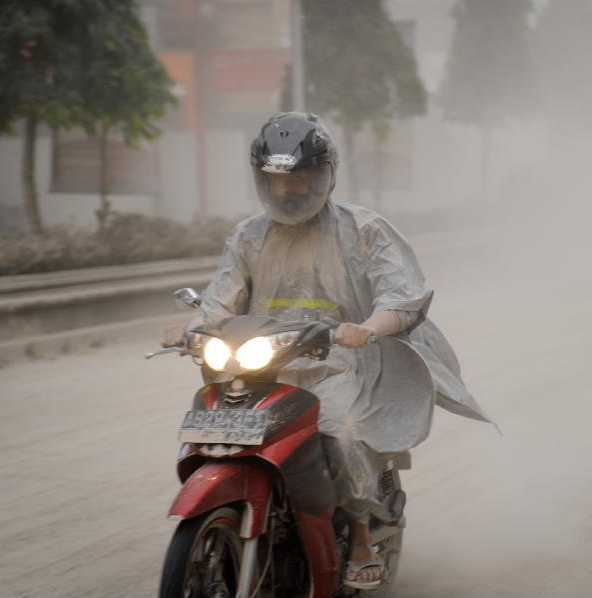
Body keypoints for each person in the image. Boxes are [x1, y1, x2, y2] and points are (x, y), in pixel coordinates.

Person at [163, 111, 491, 589]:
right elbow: (219, 301)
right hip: (263, 364)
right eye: (276, 180)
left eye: (301, 178)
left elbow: (403, 296)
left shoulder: (364, 230)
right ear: (262, 180)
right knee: (218, 419)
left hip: (346, 364)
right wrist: (192, 327)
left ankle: (358, 532)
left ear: (326, 175)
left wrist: (369, 327)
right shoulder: (249, 236)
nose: (287, 191)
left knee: (340, 431)